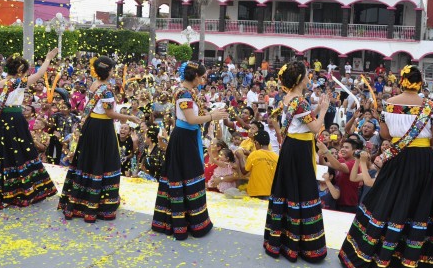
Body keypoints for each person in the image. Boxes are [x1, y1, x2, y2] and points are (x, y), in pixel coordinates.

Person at [338, 65, 433, 268]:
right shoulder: (431, 107)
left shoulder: (389, 104)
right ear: (421, 82)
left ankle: (374, 257)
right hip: (423, 161)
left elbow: (386, 135)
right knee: (417, 208)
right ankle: (407, 266)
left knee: (387, 203)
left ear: (402, 81)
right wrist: (420, 144)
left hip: (397, 158)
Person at [151, 61, 228, 240]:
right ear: (194, 76)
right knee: (188, 176)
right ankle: (187, 223)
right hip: (184, 139)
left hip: (188, 137)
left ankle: (187, 220)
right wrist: (212, 116)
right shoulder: (184, 93)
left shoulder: (188, 92)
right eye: (202, 76)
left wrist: (211, 112)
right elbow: (192, 119)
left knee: (188, 176)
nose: (204, 79)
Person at [59, 56, 141, 222]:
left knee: (87, 162)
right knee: (104, 162)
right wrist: (130, 117)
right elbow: (110, 113)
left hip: (91, 126)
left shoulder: (94, 85)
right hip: (103, 129)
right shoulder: (107, 90)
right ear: (109, 71)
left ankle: (78, 200)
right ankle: (100, 204)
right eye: (112, 69)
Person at [263, 61, 329, 263]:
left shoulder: (289, 97)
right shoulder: (300, 101)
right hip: (299, 151)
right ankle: (303, 244)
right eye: (307, 75)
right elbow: (314, 127)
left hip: (292, 147)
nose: (310, 78)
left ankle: (282, 240)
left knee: (288, 191)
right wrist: (324, 110)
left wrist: (316, 107)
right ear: (300, 79)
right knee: (302, 192)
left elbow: (303, 118)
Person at [0, 49, 59, 209]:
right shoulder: (17, 83)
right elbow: (39, 74)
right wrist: (48, 58)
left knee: (3, 153)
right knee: (22, 153)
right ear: (20, 70)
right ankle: (23, 191)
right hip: (15, 121)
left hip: (1, 122)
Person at [241, 130, 278, 199]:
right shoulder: (276, 157)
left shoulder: (255, 154)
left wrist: (240, 157)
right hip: (271, 193)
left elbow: (244, 171)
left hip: (255, 192)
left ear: (256, 143)